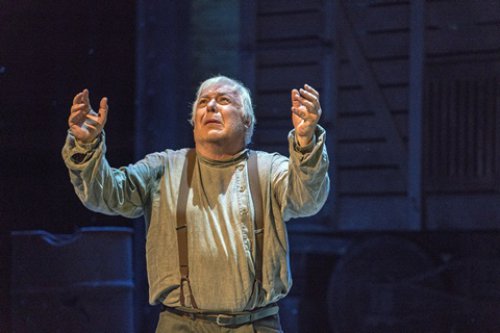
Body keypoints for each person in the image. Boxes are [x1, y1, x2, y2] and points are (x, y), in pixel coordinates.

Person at [62, 76, 330, 332]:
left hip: (255, 325)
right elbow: (106, 194)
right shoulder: (165, 168)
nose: (211, 106)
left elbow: (307, 198)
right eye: (203, 102)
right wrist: (87, 146)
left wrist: (305, 143)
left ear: (247, 120)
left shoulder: (269, 170)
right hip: (181, 326)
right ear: (194, 122)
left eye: (224, 100)